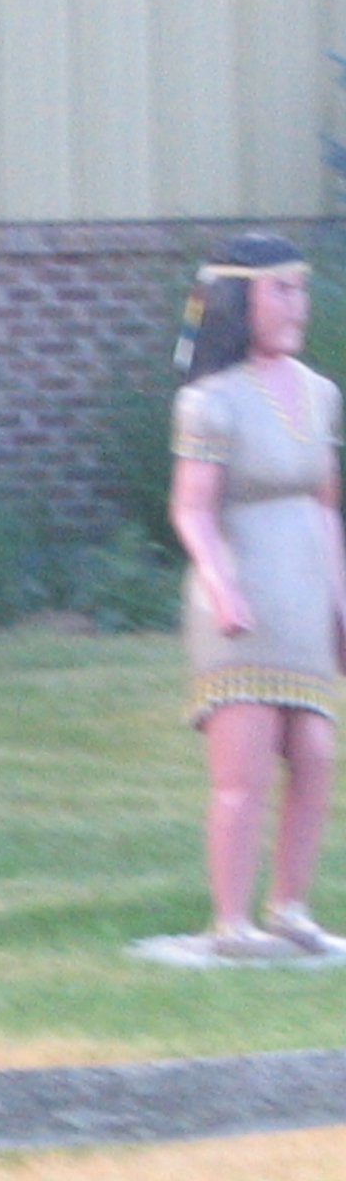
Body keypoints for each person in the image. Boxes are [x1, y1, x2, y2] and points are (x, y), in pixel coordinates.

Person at [168, 232, 346, 959]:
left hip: (303, 600)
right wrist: (221, 583)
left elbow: (327, 506)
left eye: (300, 290)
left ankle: (291, 908)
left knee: (314, 756)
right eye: (281, 290)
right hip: (240, 606)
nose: (297, 305)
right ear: (242, 300)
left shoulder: (321, 394)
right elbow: (192, 509)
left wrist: (340, 599)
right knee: (242, 771)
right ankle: (231, 920)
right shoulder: (210, 402)